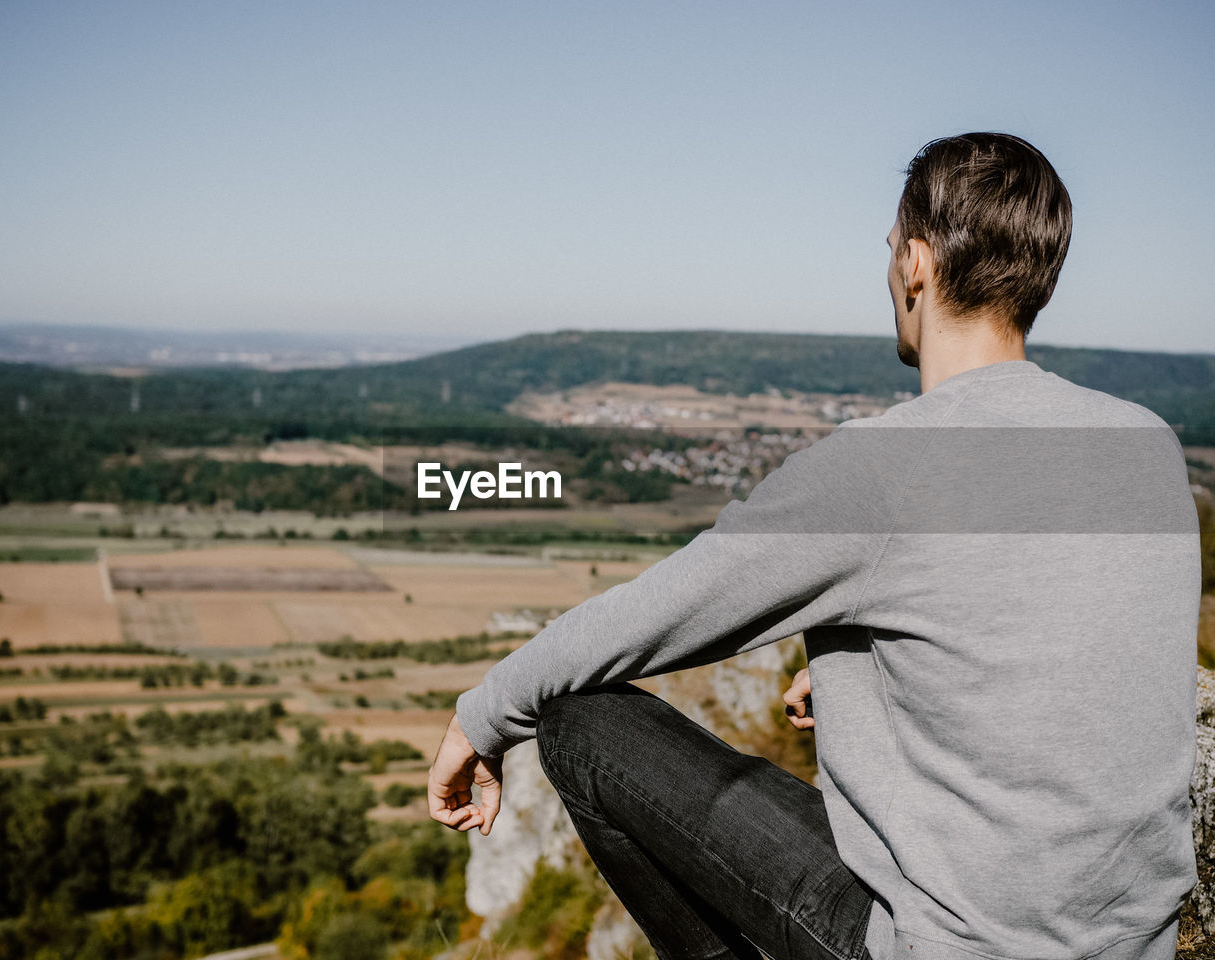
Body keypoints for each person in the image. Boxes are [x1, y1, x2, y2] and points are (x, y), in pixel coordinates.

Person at [427, 133, 1201, 960]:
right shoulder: (1146, 445)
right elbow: (1050, 624)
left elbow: (654, 615)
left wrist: (480, 715)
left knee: (579, 725)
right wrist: (860, 667)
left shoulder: (883, 467)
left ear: (915, 262)